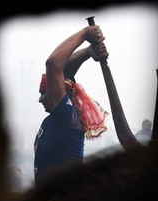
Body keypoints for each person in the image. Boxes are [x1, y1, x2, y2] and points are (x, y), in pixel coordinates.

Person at [34, 25, 109, 187]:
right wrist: (88, 52)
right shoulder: (51, 120)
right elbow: (65, 73)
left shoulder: (66, 117)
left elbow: (54, 64)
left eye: (43, 93)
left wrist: (84, 33)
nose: (40, 99)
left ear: (60, 94)